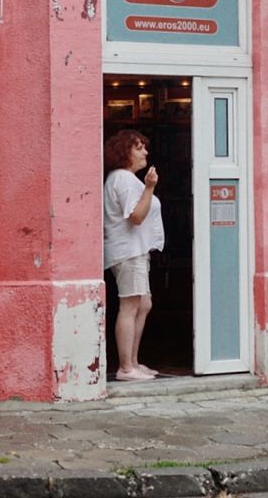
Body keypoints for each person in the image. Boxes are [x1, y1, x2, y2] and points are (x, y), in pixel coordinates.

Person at [103, 129, 166, 382]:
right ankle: (126, 368)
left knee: (143, 303)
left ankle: (134, 363)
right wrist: (150, 188)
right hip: (129, 251)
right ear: (125, 152)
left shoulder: (124, 179)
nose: (145, 152)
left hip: (134, 250)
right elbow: (137, 217)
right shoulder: (125, 180)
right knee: (130, 305)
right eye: (139, 148)